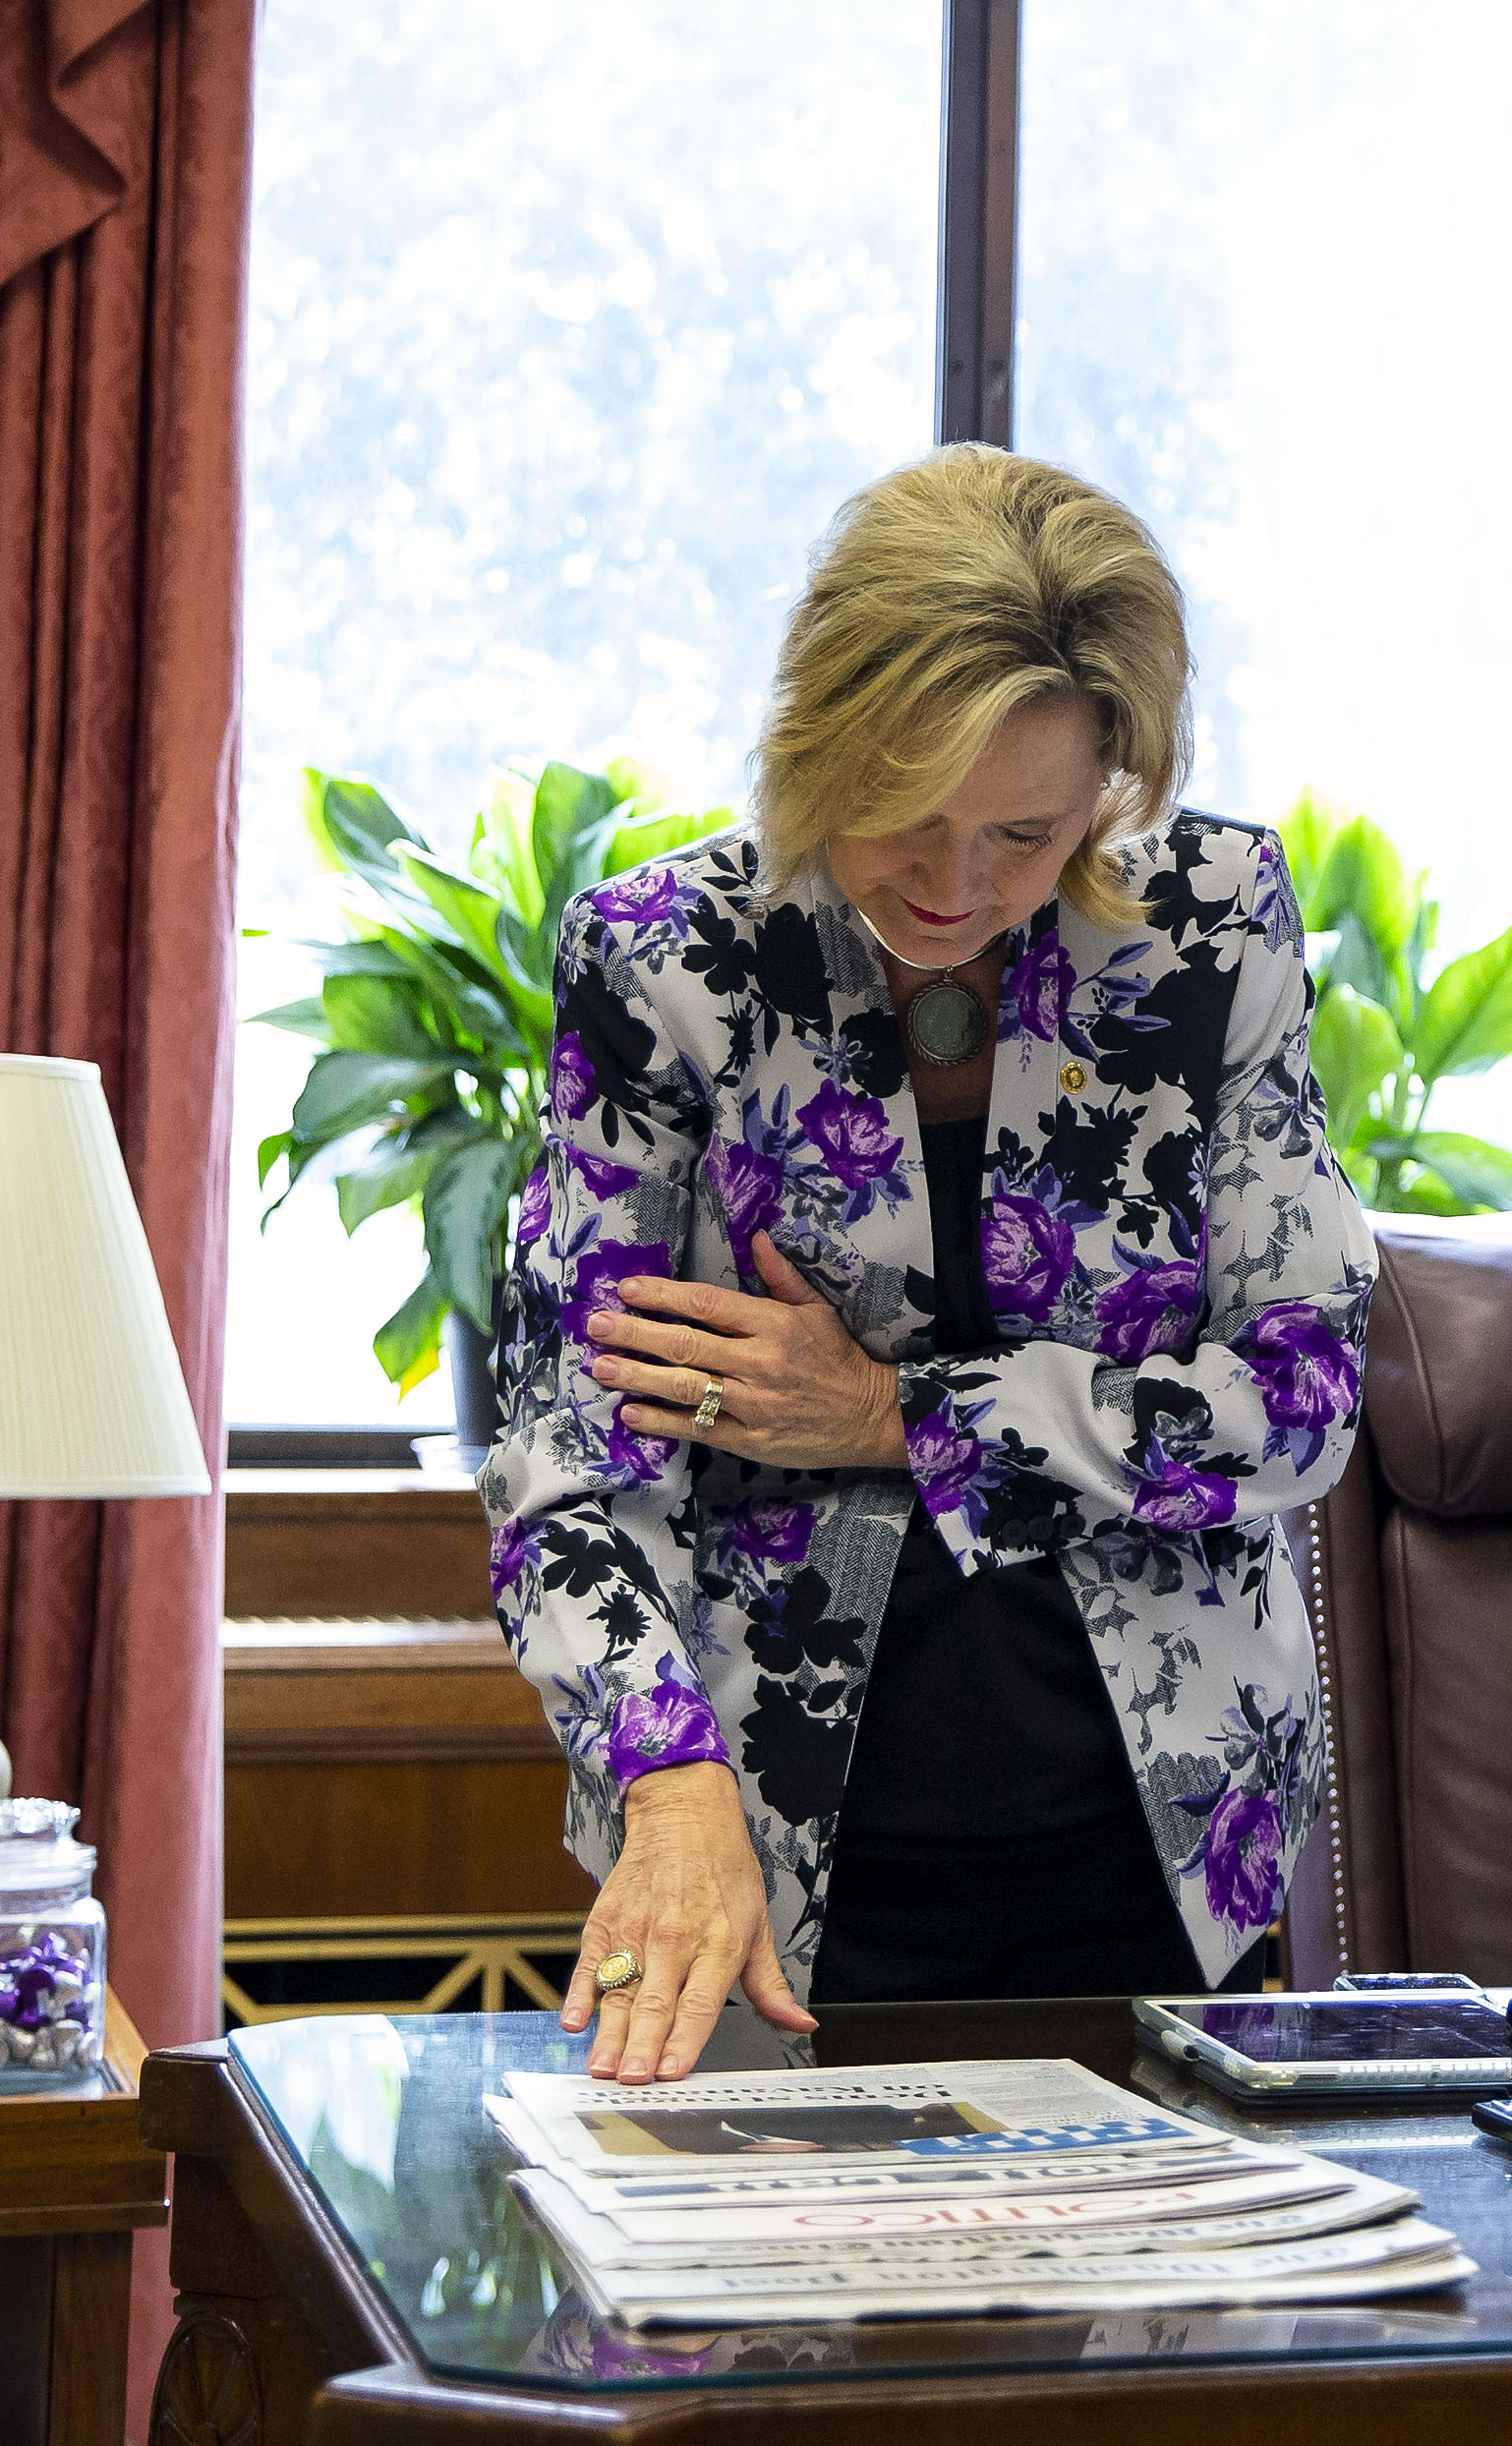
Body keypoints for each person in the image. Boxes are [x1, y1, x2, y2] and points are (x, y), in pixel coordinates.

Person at [478, 448, 1374, 2081]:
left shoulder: (1210, 926)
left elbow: (1301, 1398)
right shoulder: (668, 963)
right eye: (909, 812)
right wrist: (668, 1791)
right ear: (823, 732)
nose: (955, 888)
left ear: (1113, 783)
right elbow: (567, 1468)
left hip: (1163, 1844)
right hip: (760, 1856)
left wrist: (899, 1414)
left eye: (1025, 833)